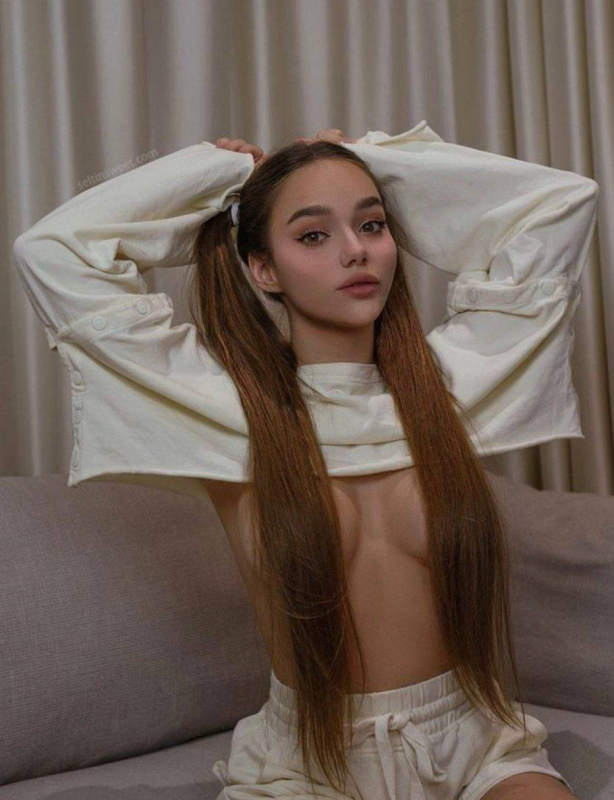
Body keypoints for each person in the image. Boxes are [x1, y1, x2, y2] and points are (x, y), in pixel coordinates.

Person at [13, 121, 597, 800]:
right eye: (313, 235)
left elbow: (560, 203)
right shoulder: (228, 412)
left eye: (372, 226)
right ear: (263, 268)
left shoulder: (448, 390)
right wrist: (212, 176)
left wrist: (366, 160)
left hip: (472, 744)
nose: (356, 251)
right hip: (311, 763)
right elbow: (52, 251)